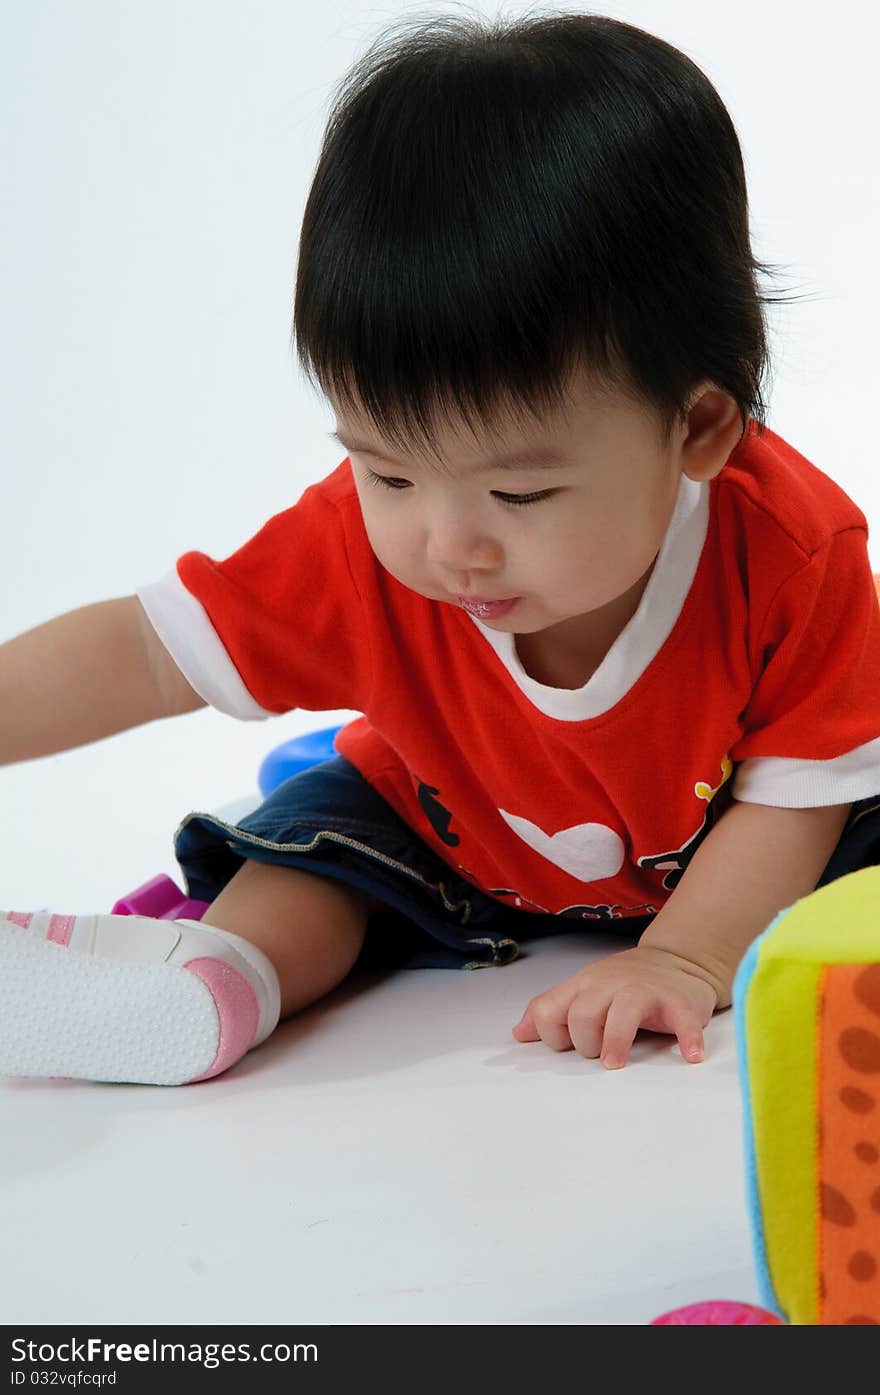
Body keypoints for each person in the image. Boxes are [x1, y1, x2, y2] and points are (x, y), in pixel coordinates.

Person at [3, 11, 880, 1087]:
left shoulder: (790, 552)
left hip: (742, 847)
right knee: (329, 837)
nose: (447, 545)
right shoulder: (359, 546)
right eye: (390, 473)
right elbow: (147, 651)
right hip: (448, 820)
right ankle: (211, 978)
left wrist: (683, 957)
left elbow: (795, 797)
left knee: (856, 840)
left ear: (697, 429)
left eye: (520, 490)